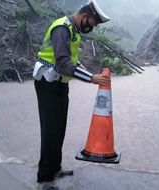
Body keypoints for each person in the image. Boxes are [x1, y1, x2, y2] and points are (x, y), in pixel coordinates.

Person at [33, 0, 111, 184]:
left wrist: (88, 74)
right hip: (48, 84)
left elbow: (72, 62)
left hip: (60, 85)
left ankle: (55, 169)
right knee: (50, 131)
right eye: (92, 24)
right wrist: (91, 78)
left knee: (59, 129)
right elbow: (63, 64)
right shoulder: (62, 29)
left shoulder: (73, 31)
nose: (91, 29)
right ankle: (44, 178)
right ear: (85, 16)